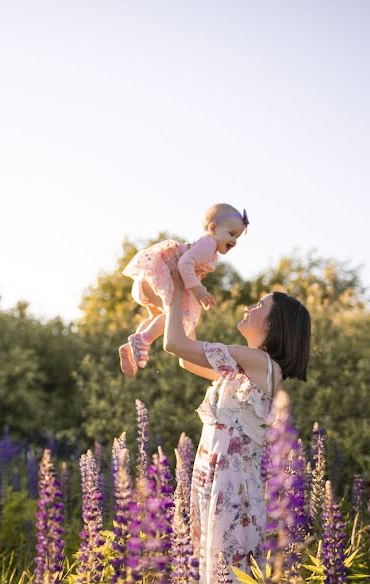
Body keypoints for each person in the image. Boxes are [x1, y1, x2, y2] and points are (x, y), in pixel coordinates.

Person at [163, 262, 312, 583]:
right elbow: (184, 357)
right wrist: (185, 296)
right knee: (211, 567)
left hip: (231, 483)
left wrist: (176, 290)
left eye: (259, 305)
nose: (249, 307)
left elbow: (174, 343)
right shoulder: (245, 366)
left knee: (224, 570)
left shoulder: (258, 361)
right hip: (214, 476)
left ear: (274, 325)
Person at [118, 203, 249, 378]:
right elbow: (184, 263)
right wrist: (198, 290)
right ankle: (143, 340)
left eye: (238, 237)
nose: (234, 241)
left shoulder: (207, 246)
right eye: (231, 234)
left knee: (156, 318)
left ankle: (135, 343)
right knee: (180, 318)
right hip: (165, 277)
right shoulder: (209, 245)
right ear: (213, 228)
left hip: (152, 279)